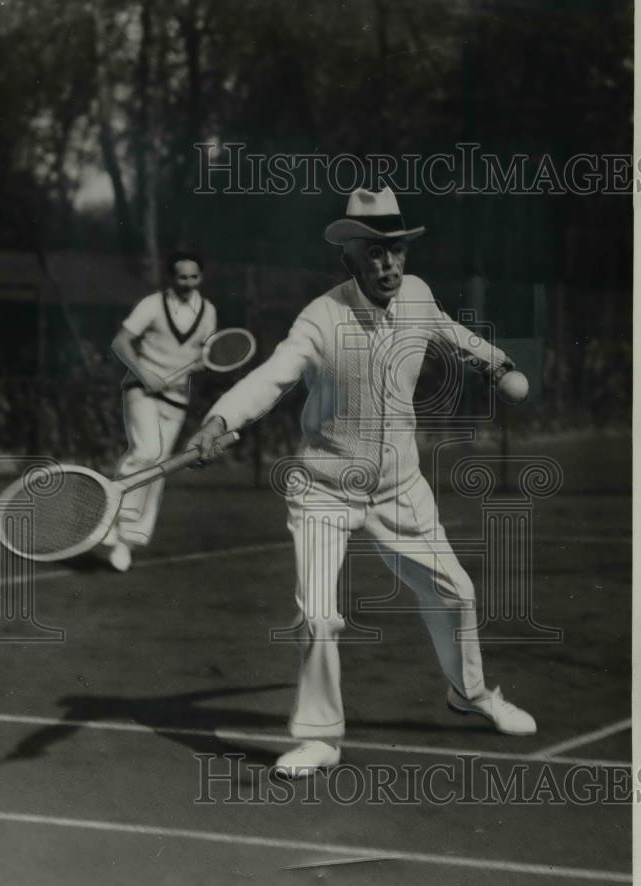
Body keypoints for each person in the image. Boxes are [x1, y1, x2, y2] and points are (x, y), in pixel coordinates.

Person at [189, 186, 536, 777]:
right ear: (349, 258)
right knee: (318, 615)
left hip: (401, 487)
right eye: (375, 254)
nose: (389, 265)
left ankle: (469, 693)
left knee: (457, 594)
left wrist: (497, 363)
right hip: (324, 487)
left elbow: (452, 332)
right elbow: (271, 378)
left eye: (396, 251)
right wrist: (220, 419)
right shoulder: (319, 319)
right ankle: (320, 737)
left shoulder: (419, 297)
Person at [106, 251, 217, 572]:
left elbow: (206, 354)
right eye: (182, 277)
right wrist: (145, 374)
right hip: (141, 391)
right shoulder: (151, 305)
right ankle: (111, 517)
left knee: (158, 469)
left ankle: (126, 541)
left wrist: (201, 362)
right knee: (147, 452)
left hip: (177, 399)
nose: (188, 283)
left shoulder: (208, 311)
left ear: (201, 277)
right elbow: (121, 343)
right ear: (171, 278)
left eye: (193, 277)